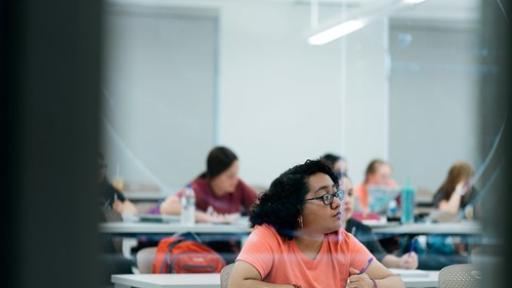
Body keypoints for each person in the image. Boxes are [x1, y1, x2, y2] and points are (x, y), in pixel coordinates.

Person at [229, 160, 404, 288]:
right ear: (297, 207)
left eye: (337, 195)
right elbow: (237, 284)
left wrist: (372, 285)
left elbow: (396, 283)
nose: (337, 203)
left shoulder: (342, 242)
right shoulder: (269, 235)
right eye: (325, 197)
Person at [160, 146, 257, 223]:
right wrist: (205, 217)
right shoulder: (197, 188)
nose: (235, 180)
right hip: (202, 244)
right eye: (230, 176)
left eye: (236, 175)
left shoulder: (238, 186)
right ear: (215, 175)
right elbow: (166, 207)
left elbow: (261, 205)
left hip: (230, 244)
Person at [342, 176, 418, 269]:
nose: (347, 200)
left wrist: (400, 262)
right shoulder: (322, 233)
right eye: (340, 194)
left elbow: (379, 257)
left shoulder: (361, 229)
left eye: (350, 194)